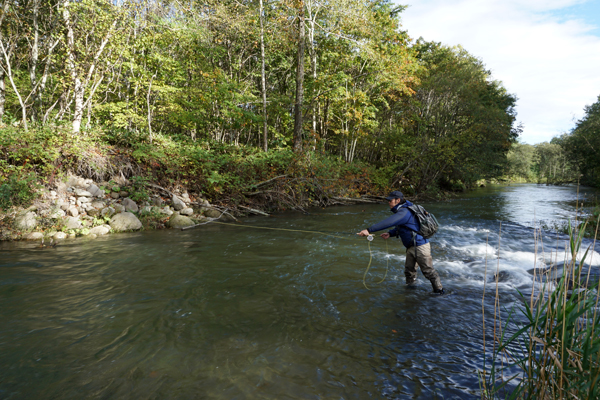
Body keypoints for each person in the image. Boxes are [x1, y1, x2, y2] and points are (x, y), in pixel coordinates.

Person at [357, 191, 444, 295]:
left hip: (420, 246)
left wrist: (369, 230)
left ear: (397, 200)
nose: (388, 202)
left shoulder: (404, 212)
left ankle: (439, 292)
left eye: (390, 200)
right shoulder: (403, 210)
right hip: (412, 246)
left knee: (428, 271)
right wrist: (390, 233)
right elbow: (405, 227)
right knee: (409, 271)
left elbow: (389, 222)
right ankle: (411, 292)